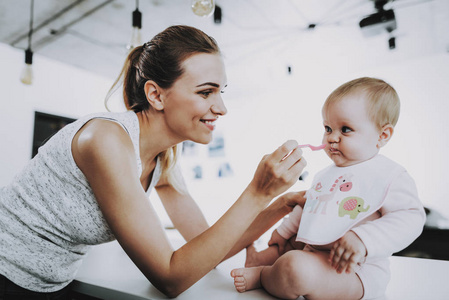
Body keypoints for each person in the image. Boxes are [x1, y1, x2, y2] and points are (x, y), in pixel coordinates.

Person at [0, 25, 308, 299]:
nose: (222, 107)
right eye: (206, 92)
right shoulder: (105, 140)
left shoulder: (164, 158)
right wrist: (257, 192)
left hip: (49, 284)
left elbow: (207, 248)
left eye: (221, 92)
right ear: (156, 96)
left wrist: (279, 205)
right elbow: (170, 279)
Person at [230, 77, 426, 300]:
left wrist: (363, 238)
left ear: (382, 135)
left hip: (357, 272)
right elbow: (309, 207)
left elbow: (411, 218)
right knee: (287, 250)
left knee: (294, 268)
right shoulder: (325, 174)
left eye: (345, 129)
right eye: (328, 128)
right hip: (313, 255)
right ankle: (261, 261)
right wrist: (283, 232)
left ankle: (263, 274)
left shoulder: (389, 175)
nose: (332, 137)